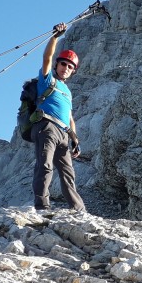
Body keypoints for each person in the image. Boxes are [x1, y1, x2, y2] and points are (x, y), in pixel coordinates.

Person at [31, 22, 86, 212]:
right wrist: (55, 37)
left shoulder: (67, 91)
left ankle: (79, 210)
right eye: (63, 64)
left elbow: (70, 118)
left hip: (63, 133)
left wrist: (75, 140)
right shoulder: (48, 79)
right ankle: (42, 207)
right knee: (45, 166)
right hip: (46, 126)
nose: (66, 68)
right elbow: (46, 58)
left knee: (68, 173)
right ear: (57, 64)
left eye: (70, 67)